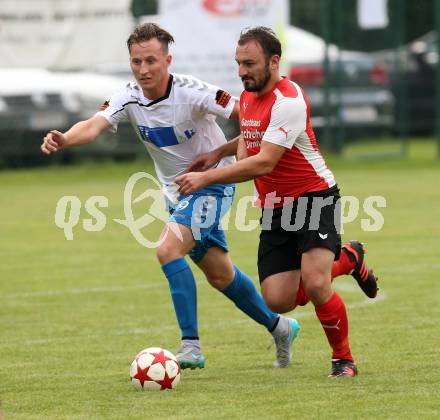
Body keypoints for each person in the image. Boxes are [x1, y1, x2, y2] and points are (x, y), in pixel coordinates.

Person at [41, 23, 301, 370]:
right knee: (220, 275)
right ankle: (280, 326)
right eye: (136, 61)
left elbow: (252, 116)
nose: (143, 69)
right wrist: (64, 139)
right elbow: (93, 124)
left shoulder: (194, 91)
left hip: (213, 186)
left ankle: (190, 345)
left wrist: (236, 151)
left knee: (166, 248)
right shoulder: (128, 96)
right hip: (176, 194)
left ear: (168, 60)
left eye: (151, 60)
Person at [176, 26, 379, 378]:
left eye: (249, 63)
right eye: (239, 63)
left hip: (314, 197)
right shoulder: (250, 95)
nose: (242, 71)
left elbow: (264, 160)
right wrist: (217, 152)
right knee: (277, 299)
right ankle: (349, 258)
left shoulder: (289, 100)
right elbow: (254, 132)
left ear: (274, 61)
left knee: (316, 284)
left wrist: (205, 178)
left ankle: (343, 360)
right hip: (275, 207)